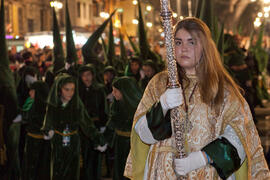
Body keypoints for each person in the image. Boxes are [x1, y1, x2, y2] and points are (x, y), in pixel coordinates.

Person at [124, 17, 270, 179]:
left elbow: (241, 136)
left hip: (206, 171)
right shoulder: (158, 84)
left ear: (205, 47)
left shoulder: (222, 89)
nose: (184, 49)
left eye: (191, 42)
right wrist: (163, 105)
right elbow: (142, 135)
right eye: (178, 42)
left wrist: (203, 157)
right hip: (162, 172)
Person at [42, 73, 106, 180]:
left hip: (73, 142)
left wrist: (98, 139)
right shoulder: (53, 105)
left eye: (72, 89)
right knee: (58, 170)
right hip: (58, 141)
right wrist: (47, 130)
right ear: (59, 89)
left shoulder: (76, 104)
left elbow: (87, 124)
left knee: (72, 171)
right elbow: (47, 121)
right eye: (66, 89)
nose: (70, 93)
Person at [105, 76, 142, 180]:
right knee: (119, 170)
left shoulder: (139, 108)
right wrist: (104, 139)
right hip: (119, 142)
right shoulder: (115, 105)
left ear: (125, 92)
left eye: (116, 91)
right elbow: (112, 123)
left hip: (133, 144)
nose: (113, 93)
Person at [77, 64, 108, 180]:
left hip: (96, 126)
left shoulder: (99, 89)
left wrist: (103, 125)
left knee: (96, 154)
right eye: (83, 75)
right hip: (83, 127)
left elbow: (103, 108)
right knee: (85, 154)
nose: (86, 78)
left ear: (93, 76)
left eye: (88, 75)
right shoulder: (78, 90)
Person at [22, 81, 50, 180]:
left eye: (32, 91)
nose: (30, 93)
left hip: (37, 142)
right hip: (35, 141)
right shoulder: (34, 104)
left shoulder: (44, 108)